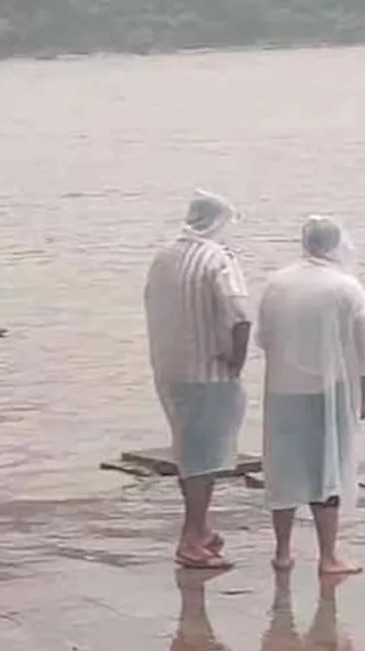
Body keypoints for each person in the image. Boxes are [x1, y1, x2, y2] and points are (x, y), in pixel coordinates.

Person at [257, 217, 365, 575]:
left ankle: (282, 551)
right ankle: (328, 556)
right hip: (331, 392)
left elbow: (264, 338)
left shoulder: (277, 283)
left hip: (282, 389)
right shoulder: (346, 287)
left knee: (283, 467)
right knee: (328, 468)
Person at [144, 190, 252, 570]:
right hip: (209, 373)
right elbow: (240, 315)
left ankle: (201, 529)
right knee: (203, 461)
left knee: (189, 453)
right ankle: (191, 537)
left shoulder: (164, 256)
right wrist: (237, 361)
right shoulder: (217, 259)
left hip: (169, 369)